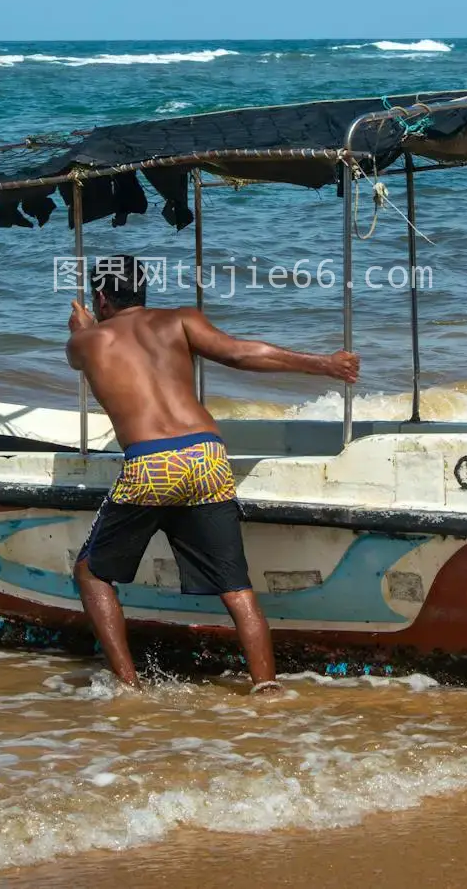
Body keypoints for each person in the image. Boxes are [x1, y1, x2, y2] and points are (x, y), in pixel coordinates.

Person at [65, 254, 362, 691]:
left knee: (91, 572)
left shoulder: (87, 342)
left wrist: (84, 328)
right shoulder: (180, 319)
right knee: (236, 587)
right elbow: (242, 354)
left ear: (101, 296)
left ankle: (128, 687)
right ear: (144, 290)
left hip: (153, 462)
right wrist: (324, 364)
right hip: (207, 454)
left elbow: (85, 353)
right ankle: (267, 687)